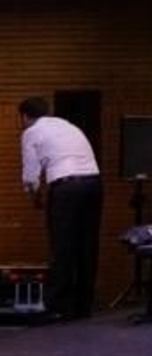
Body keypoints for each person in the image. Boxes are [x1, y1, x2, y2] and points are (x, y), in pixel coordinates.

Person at [18, 97, 101, 320]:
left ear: (25, 116)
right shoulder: (68, 125)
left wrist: (34, 197)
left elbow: (30, 175)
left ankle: (57, 306)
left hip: (66, 187)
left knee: (62, 245)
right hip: (93, 184)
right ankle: (84, 307)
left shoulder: (31, 132)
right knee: (87, 245)